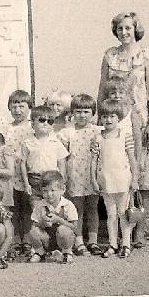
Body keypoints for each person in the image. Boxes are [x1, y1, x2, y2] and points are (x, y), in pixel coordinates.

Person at [96, 11, 149, 247]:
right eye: (120, 28)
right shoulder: (110, 55)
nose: (124, 32)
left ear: (135, 29)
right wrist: (99, 120)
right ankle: (116, 232)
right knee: (115, 171)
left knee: (142, 174)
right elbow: (102, 89)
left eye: (128, 28)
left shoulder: (145, 55)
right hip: (114, 119)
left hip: (140, 119)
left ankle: (139, 230)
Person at [92, 99, 140, 259]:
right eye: (105, 116)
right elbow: (94, 161)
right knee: (111, 214)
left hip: (123, 180)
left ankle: (126, 244)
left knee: (123, 213)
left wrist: (135, 179)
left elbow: (132, 159)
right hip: (106, 181)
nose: (108, 120)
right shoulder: (97, 138)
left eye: (112, 116)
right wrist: (94, 180)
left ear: (118, 117)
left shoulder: (125, 135)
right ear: (101, 118)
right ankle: (112, 244)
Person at [58, 93, 103, 256]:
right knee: (77, 210)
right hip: (75, 176)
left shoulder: (98, 131)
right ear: (72, 113)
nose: (82, 115)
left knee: (93, 208)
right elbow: (62, 157)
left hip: (92, 176)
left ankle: (93, 241)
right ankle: (79, 241)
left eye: (86, 112)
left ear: (93, 113)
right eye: (78, 111)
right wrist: (63, 177)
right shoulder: (67, 132)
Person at [4, 89, 35, 255]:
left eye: (22, 106)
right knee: (14, 208)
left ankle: (28, 240)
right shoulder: (7, 128)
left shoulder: (33, 126)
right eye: (14, 106)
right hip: (11, 173)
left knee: (28, 207)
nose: (17, 110)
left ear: (29, 108)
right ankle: (15, 239)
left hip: (28, 173)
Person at [19, 105, 69, 201]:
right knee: (35, 206)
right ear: (32, 124)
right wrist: (26, 184)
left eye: (49, 121)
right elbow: (23, 164)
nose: (46, 123)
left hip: (52, 180)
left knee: (51, 206)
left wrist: (61, 183)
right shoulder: (27, 143)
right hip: (34, 180)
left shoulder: (56, 142)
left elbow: (62, 164)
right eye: (42, 120)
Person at [27, 171, 78, 264]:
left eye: (52, 190)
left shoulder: (67, 205)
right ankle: (40, 252)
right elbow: (34, 224)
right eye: (45, 191)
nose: (49, 194)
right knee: (33, 231)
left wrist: (59, 220)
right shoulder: (40, 205)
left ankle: (67, 252)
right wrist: (42, 223)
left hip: (63, 239)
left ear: (62, 190)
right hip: (47, 238)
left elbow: (74, 227)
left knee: (63, 230)